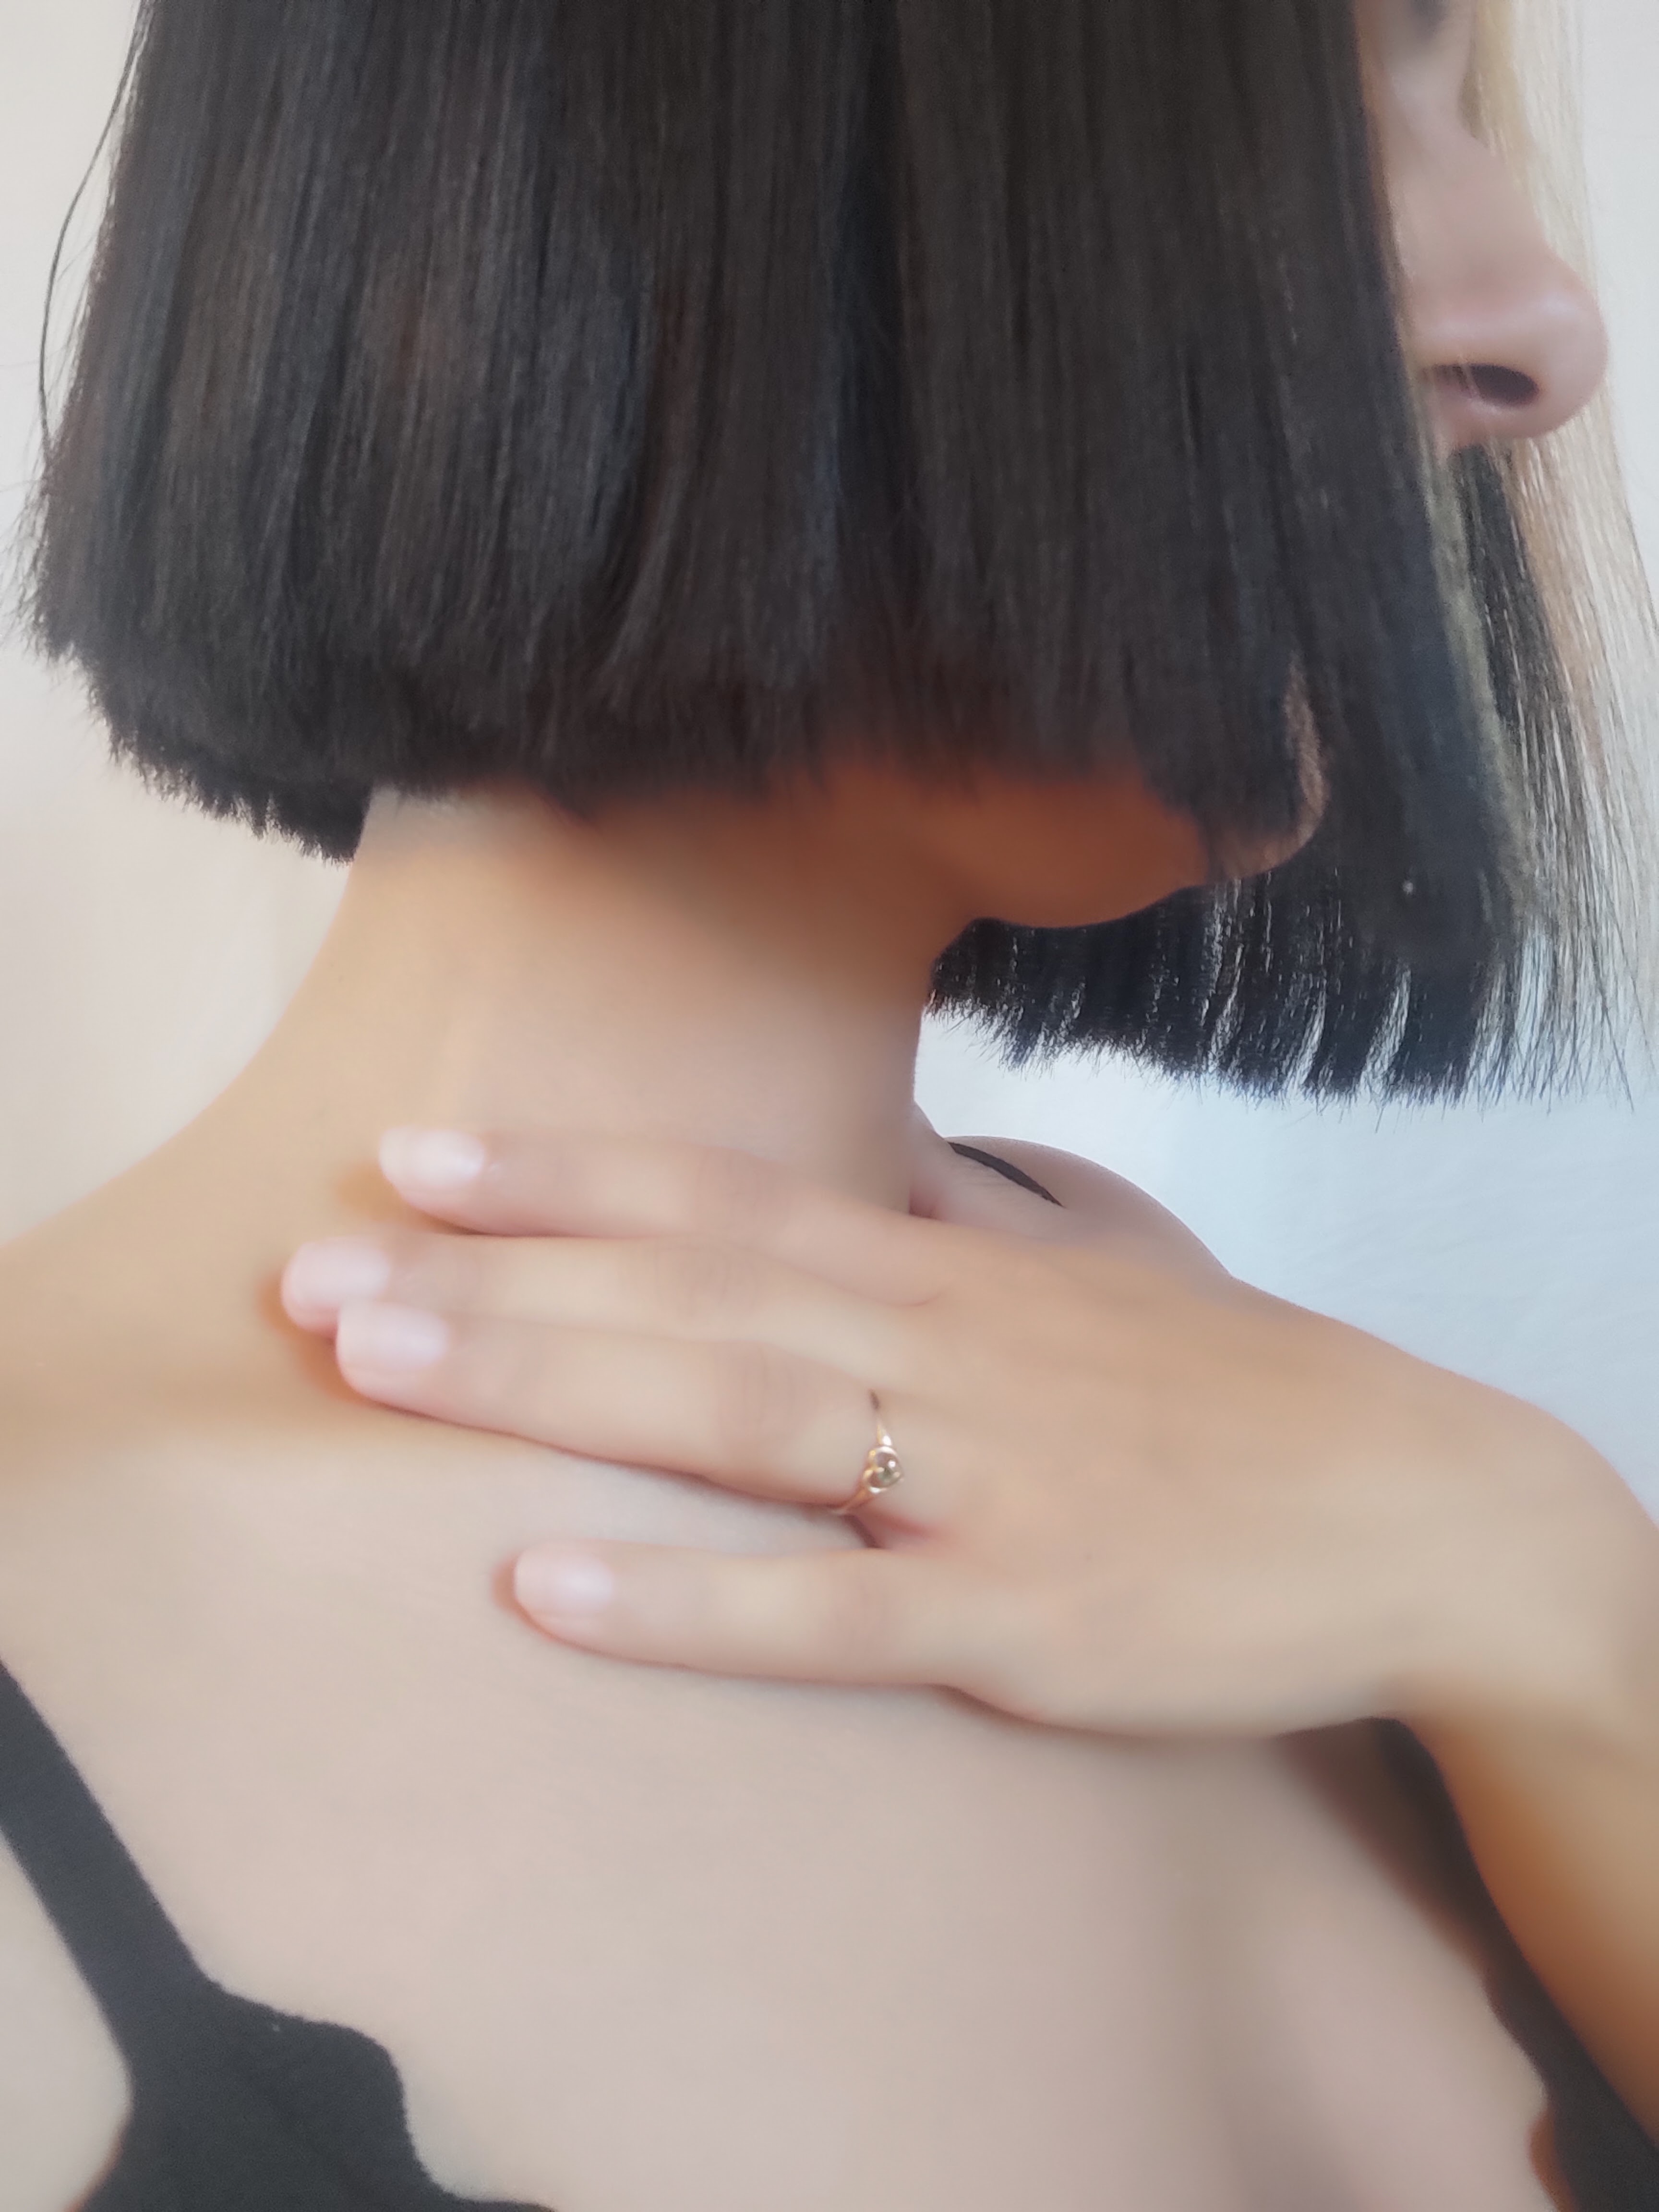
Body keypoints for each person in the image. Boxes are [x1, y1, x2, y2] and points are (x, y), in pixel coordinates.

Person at [2, 2, 1656, 2210]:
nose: (1544, 331)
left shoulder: (1387, 1519)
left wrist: (1570, 1626)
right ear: (641, 129)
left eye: (1465, 107)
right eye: (1316, 100)